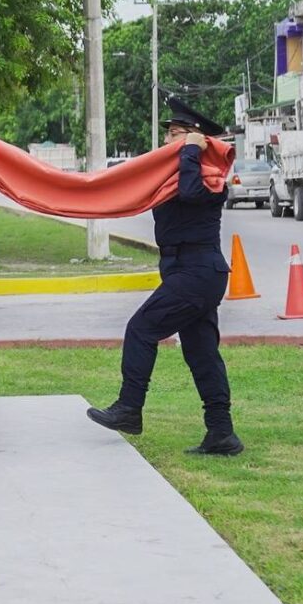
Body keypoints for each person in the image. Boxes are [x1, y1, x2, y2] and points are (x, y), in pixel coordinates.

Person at [87, 97, 242, 455]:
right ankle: (222, 433)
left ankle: (129, 409)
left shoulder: (209, 177)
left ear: (197, 139)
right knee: (202, 354)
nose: (168, 140)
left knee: (142, 328)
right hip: (188, 271)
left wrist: (190, 151)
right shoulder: (174, 175)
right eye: (170, 134)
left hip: (197, 271)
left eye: (177, 134)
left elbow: (191, 194)